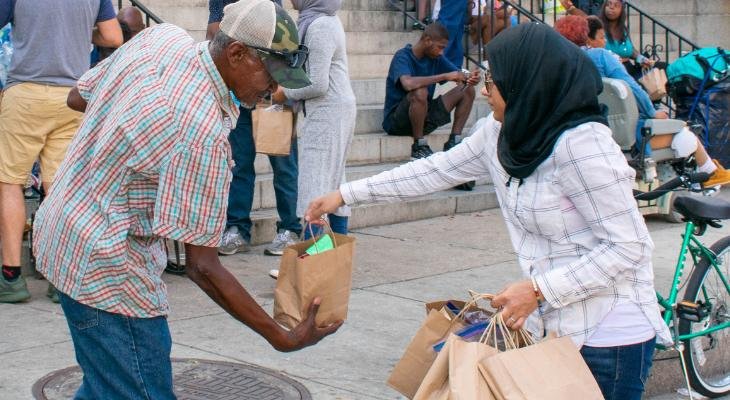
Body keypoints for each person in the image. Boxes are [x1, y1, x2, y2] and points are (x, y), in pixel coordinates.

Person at [305, 23, 673, 400]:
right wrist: (345, 194)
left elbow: (629, 247)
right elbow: (434, 170)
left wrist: (539, 290)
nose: (484, 91)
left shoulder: (583, 146)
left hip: (608, 337)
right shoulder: (499, 133)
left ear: (527, 83)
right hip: (552, 325)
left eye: (494, 81)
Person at [32, 1, 341, 397]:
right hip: (107, 272)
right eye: (271, 73)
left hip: (63, 232)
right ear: (237, 53)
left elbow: (78, 96)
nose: (273, 88)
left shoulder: (163, 37)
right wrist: (280, 337)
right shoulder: (201, 133)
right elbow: (203, 266)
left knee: (107, 386)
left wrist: (131, 142)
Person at [0, 0, 122, 304]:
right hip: (73, 96)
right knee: (61, 187)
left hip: (25, 92)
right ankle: (58, 278)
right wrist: (80, 32)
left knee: (10, 182)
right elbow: (113, 37)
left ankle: (11, 278)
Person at [555, 15, 730, 188]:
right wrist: (652, 112)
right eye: (601, 37)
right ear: (586, 37)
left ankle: (704, 173)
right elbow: (631, 87)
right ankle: (709, 173)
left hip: (578, 132)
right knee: (685, 133)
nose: (605, 41)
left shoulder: (559, 64)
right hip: (622, 131)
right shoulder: (600, 56)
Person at [208, 0, 302, 257]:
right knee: (239, 163)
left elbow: (279, 39)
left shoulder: (268, 4)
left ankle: (291, 228)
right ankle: (237, 228)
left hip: (273, 92)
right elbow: (214, 32)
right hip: (239, 90)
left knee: (283, 165)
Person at [272, 0, 355, 241]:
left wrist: (285, 93)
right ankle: (335, 251)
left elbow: (318, 84)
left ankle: (312, 256)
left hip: (327, 113)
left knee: (315, 186)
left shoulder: (319, 26)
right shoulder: (324, 19)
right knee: (334, 184)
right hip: (334, 110)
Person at [383, 22, 479, 160]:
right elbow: (408, 84)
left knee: (467, 89)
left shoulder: (436, 58)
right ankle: (419, 146)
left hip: (424, 118)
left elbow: (458, 74)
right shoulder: (402, 56)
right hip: (397, 122)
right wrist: (444, 76)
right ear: (427, 40)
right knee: (420, 91)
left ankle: (454, 141)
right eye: (440, 47)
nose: (441, 52)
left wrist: (470, 78)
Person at [599, 0, 653, 79]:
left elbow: (631, 51)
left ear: (622, 10)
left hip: (629, 70)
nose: (611, 7)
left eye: (616, 5)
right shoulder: (599, 28)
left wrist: (642, 59)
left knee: (660, 67)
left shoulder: (623, 29)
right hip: (611, 73)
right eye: (608, 4)